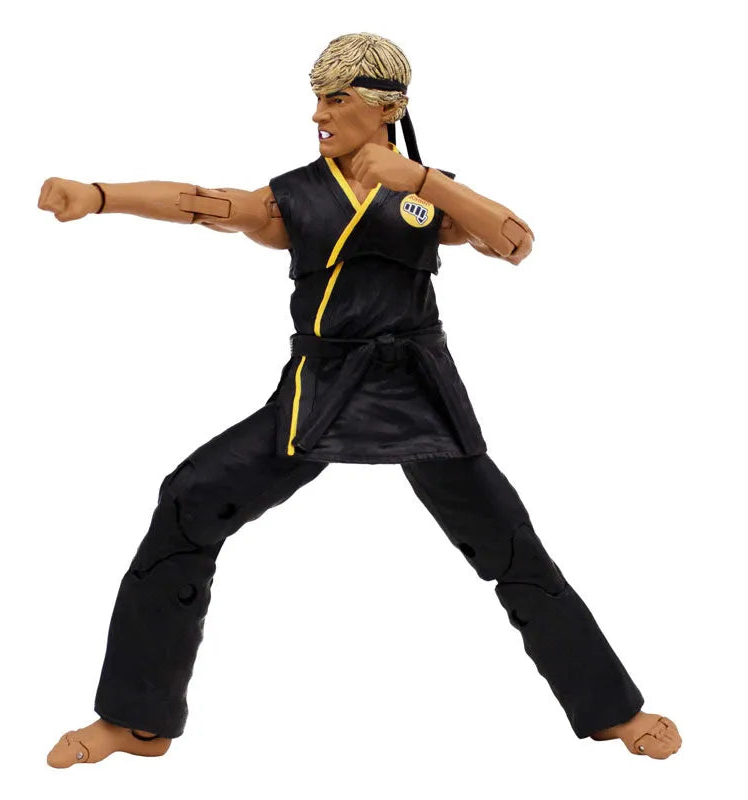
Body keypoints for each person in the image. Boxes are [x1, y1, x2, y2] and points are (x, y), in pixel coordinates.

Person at [39, 32, 681, 767]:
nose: (319, 114)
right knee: (189, 502)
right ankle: (136, 720)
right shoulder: (295, 198)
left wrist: (423, 179)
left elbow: (513, 243)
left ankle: (615, 712)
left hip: (419, 394)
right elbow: (205, 204)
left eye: (336, 98)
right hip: (319, 393)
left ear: (389, 109)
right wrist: (99, 198)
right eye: (317, 98)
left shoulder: (429, 194)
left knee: (509, 546)